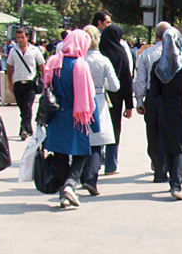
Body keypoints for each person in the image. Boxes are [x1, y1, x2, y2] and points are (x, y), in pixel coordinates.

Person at [42, 29, 98, 208]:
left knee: (60, 156)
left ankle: (63, 194)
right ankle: (70, 184)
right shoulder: (80, 65)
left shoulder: (53, 62)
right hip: (77, 118)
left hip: (56, 117)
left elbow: (46, 90)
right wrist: (95, 124)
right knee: (81, 153)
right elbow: (89, 98)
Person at [151, 27, 182, 200]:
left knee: (168, 146)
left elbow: (154, 93)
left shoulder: (157, 67)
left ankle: (172, 183)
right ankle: (177, 185)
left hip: (165, 110)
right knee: (181, 148)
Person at [79, 25, 120, 196]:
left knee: (82, 141)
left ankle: (79, 175)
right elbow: (115, 86)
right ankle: (91, 178)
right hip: (98, 99)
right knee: (97, 143)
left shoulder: (79, 60)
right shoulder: (103, 60)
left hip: (80, 101)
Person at [134, 21, 171, 182]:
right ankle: (167, 165)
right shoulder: (174, 53)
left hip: (152, 97)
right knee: (168, 132)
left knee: (153, 132)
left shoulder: (146, 54)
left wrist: (139, 100)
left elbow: (140, 79)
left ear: (156, 35)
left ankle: (157, 163)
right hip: (171, 97)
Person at [99, 24, 133, 175]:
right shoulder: (121, 53)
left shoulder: (99, 52)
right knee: (114, 129)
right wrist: (129, 105)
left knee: (97, 128)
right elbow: (127, 79)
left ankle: (95, 161)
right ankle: (111, 165)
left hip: (98, 96)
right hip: (116, 99)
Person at [6, 27, 45, 140]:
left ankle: (23, 129)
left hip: (30, 83)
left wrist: (45, 80)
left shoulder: (34, 50)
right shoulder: (13, 51)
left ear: (27, 37)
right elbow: (9, 67)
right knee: (22, 108)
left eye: (22, 37)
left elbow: (42, 65)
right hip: (18, 83)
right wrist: (10, 82)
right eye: (18, 37)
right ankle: (28, 128)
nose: (20, 40)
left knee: (27, 107)